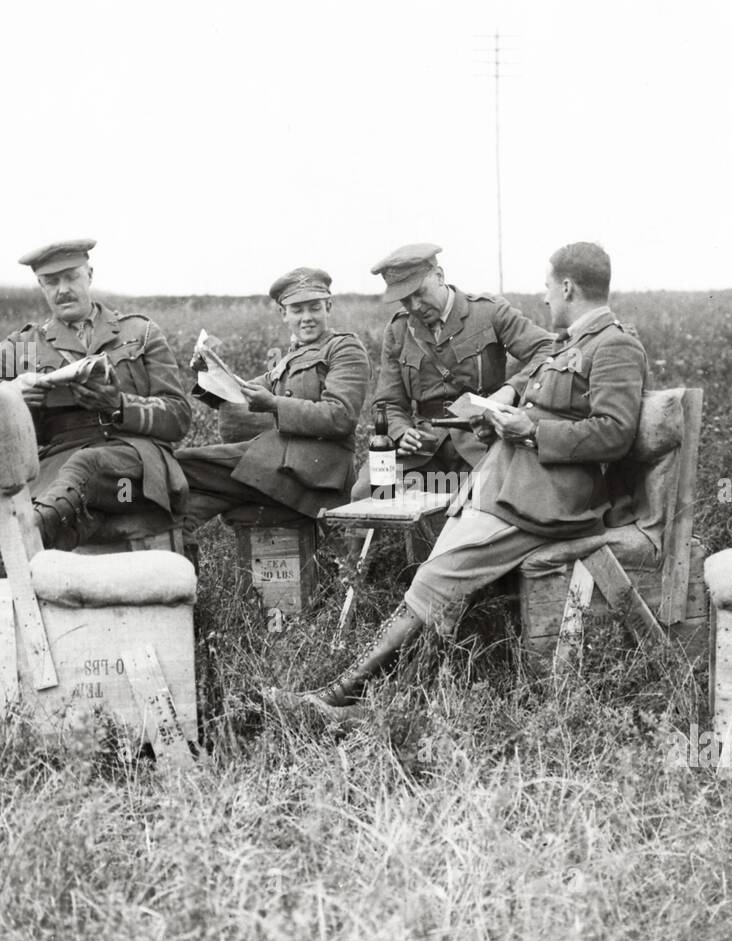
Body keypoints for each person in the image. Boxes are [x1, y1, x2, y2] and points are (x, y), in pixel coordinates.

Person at [272, 241, 648, 716]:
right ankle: (377, 684)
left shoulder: (606, 342)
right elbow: (390, 400)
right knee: (430, 560)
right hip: (512, 482)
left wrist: (523, 421)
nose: (545, 296)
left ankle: (347, 694)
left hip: (543, 496)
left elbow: (612, 432)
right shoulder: (576, 342)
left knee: (438, 572)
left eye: (549, 287)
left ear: (568, 287)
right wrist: (412, 430)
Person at [0, 239, 191, 568]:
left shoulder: (140, 332)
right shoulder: (26, 345)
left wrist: (119, 404)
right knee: (73, 500)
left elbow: (179, 417)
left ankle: (14, 543)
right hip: (60, 470)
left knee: (88, 469)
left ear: (89, 275)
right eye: (51, 282)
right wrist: (8, 390)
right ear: (41, 286)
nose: (62, 290)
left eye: (71, 277)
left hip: (135, 470)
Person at [175, 268, 369, 534]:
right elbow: (242, 393)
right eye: (297, 310)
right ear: (283, 314)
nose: (307, 318)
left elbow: (340, 416)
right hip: (279, 467)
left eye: (314, 308)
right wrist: (210, 374)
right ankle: (176, 569)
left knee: (178, 463)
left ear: (329, 307)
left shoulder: (344, 348)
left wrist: (275, 405)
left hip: (317, 473)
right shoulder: (288, 359)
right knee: (184, 513)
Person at [354, 243, 555, 500]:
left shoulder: (489, 311)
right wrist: (400, 431)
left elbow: (548, 348)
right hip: (425, 448)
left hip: (482, 439)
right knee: (365, 491)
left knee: (502, 495)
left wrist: (510, 390)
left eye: (420, 293)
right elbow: (388, 402)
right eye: (405, 299)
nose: (414, 305)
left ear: (439, 276)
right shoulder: (399, 329)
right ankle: (367, 541)